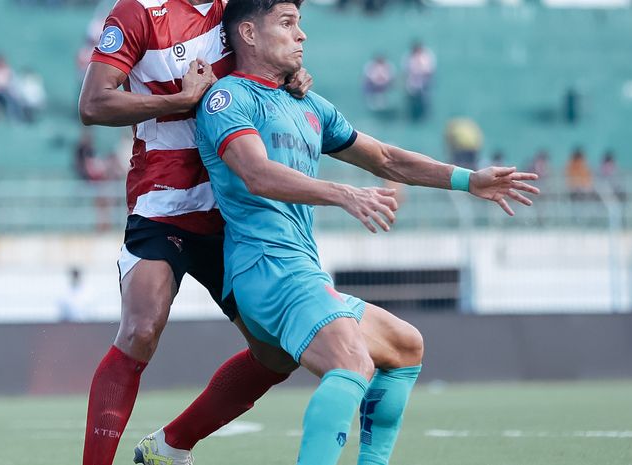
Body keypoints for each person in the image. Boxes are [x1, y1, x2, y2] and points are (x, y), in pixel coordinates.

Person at [196, 1, 539, 464]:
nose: (302, 35)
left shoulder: (309, 105)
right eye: (287, 23)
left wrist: (468, 180)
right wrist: (343, 193)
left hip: (300, 270)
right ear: (249, 34)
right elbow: (256, 174)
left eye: (300, 23)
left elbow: (386, 158)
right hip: (265, 267)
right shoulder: (228, 99)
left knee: (404, 345)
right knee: (351, 361)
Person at [77, 0, 313, 464]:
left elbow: (272, 66)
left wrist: (292, 80)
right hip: (163, 204)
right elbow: (93, 104)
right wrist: (180, 101)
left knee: (278, 353)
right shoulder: (138, 12)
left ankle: (170, 446)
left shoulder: (243, 10)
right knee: (141, 329)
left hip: (232, 210)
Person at [403, 41, 435, 121]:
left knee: (423, 101)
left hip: (424, 84)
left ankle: (423, 116)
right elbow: (407, 71)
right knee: (412, 102)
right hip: (413, 85)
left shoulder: (426, 56)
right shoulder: (409, 57)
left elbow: (429, 71)